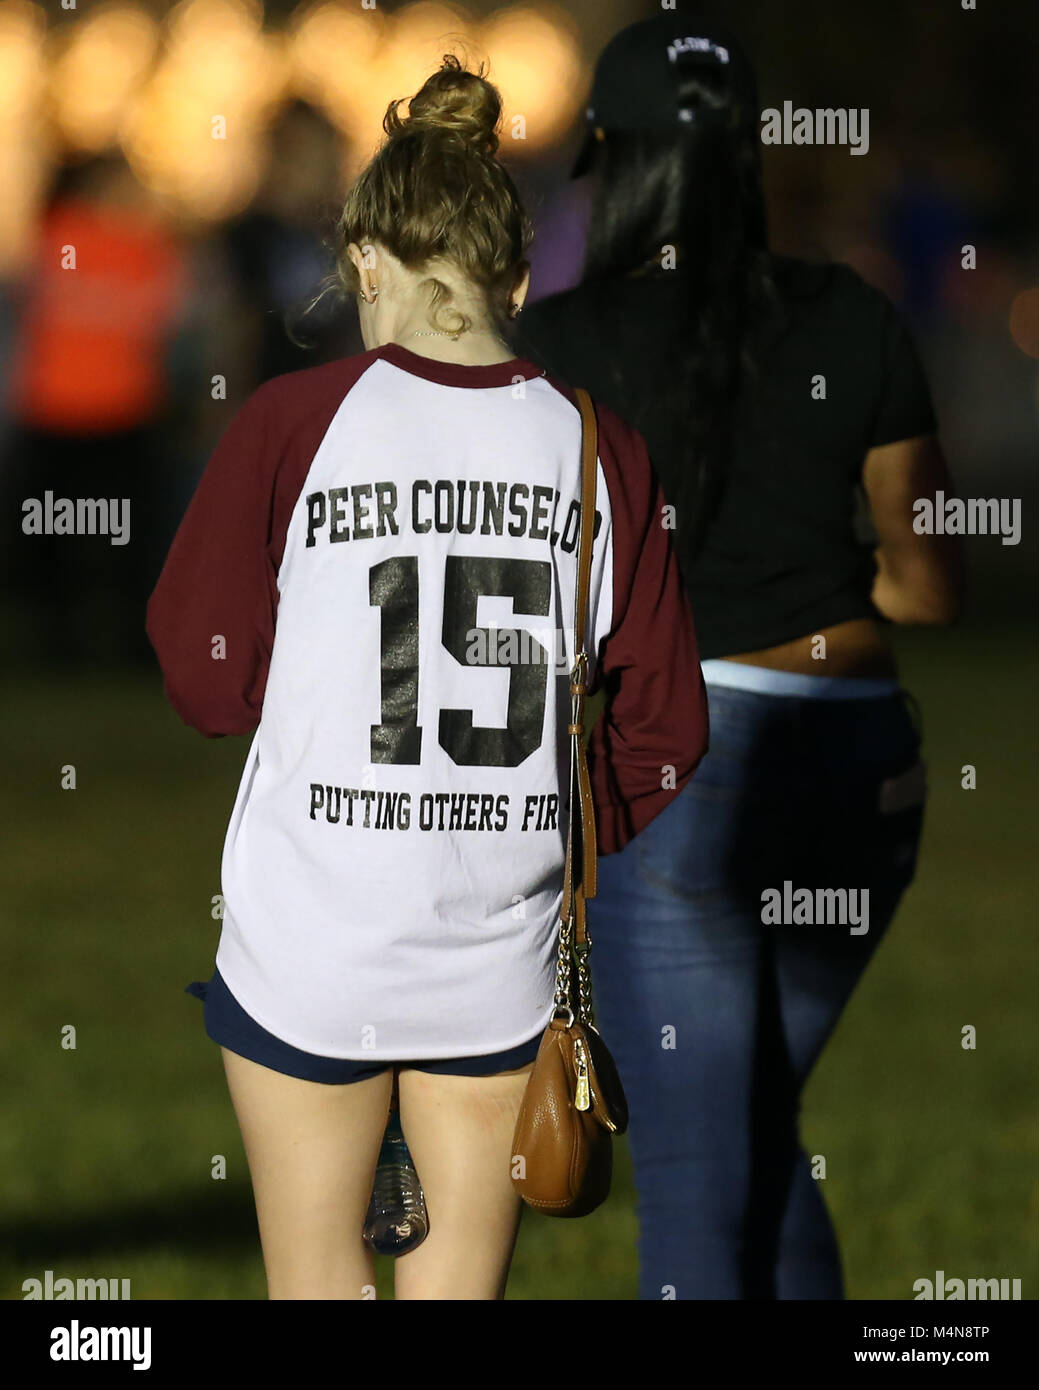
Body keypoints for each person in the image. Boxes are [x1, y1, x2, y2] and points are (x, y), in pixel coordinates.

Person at [146, 56, 708, 1301]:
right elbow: (668, 720)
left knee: (316, 1285)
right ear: (514, 275)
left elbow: (203, 679)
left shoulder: (292, 423)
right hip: (496, 954)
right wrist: (563, 835)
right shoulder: (595, 444)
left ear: (364, 261)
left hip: (313, 938)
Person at [515, 15, 964, 1300]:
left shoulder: (560, 352)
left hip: (685, 778)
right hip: (861, 767)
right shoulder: (852, 319)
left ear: (607, 156)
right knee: (751, 1132)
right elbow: (928, 582)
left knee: (706, 1185)